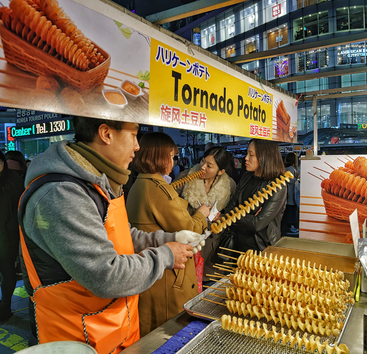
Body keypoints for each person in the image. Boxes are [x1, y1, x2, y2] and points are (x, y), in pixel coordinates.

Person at [19, 117, 204, 353]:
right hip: (75, 338)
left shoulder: (100, 182)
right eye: (133, 135)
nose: (137, 146)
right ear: (106, 134)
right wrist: (165, 256)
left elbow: (120, 235)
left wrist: (167, 238)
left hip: (113, 331)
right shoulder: (62, 193)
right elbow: (104, 275)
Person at [126, 132, 210, 336]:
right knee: (170, 334)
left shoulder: (139, 183)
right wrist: (201, 215)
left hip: (152, 272)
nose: (173, 162)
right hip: (167, 277)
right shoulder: (158, 189)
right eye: (171, 157)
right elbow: (187, 228)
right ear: (160, 157)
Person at [175, 146, 236, 285]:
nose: (202, 167)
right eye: (203, 161)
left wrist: (222, 217)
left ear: (221, 171)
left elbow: (232, 213)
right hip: (188, 240)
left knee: (209, 284)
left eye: (209, 166)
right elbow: (169, 205)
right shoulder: (185, 178)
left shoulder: (230, 185)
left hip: (213, 246)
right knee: (187, 283)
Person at [220, 139, 287, 254]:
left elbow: (258, 223)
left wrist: (231, 216)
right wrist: (248, 217)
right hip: (237, 244)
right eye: (247, 154)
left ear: (265, 157)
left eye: (251, 155)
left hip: (261, 248)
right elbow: (230, 207)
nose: (246, 158)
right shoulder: (246, 177)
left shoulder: (277, 185)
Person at [0, 151, 24, 322]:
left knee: (8, 272)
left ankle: (5, 306)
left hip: (8, 236)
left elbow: (19, 209)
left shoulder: (13, 180)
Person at [281, 152, 300, 236]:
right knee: (292, 211)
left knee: (287, 210)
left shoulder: (284, 167)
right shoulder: (291, 168)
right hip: (291, 193)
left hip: (285, 193)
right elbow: (292, 181)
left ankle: (288, 227)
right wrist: (297, 177)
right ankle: (291, 227)